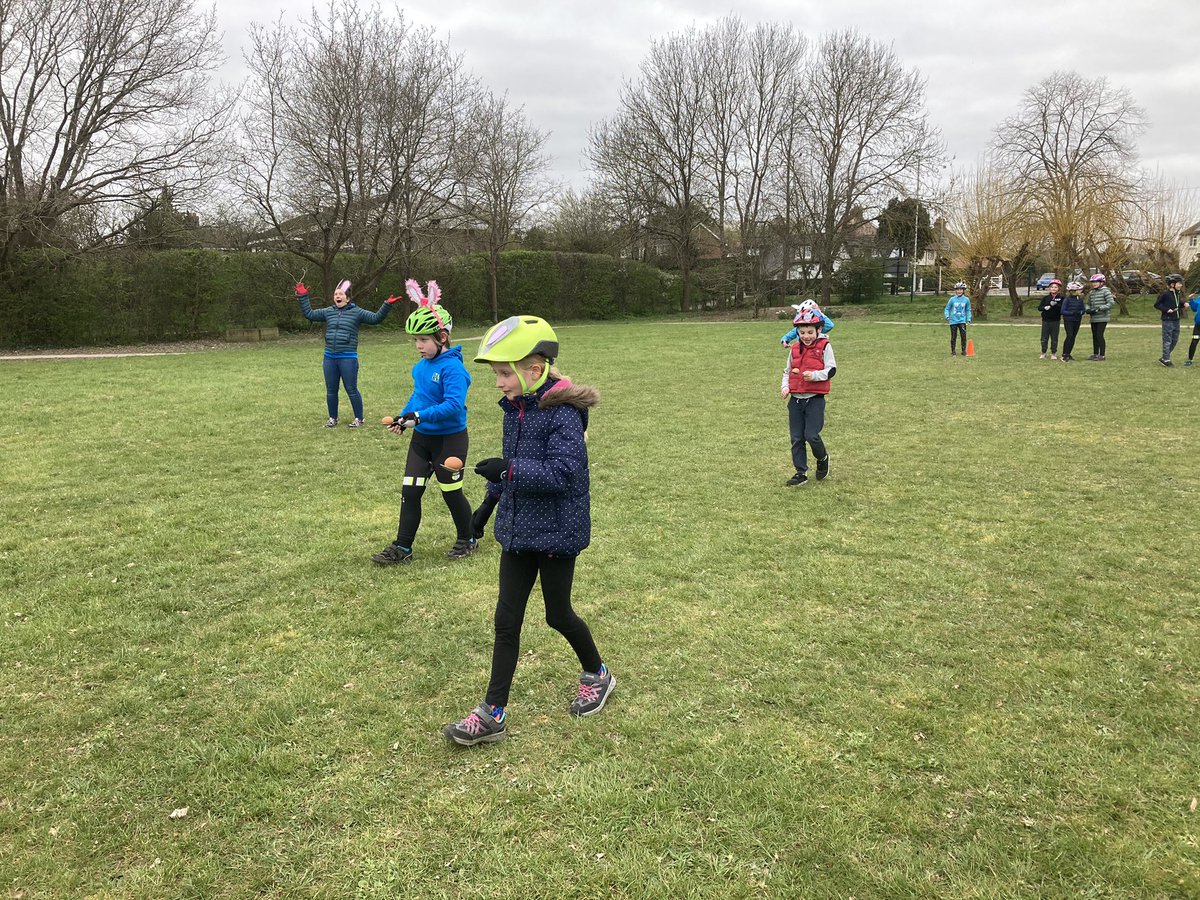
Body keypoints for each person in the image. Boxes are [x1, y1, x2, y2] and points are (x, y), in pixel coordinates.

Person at [443, 315, 612, 746]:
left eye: (504, 373)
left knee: (558, 615)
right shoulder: (515, 411)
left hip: (557, 532)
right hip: (517, 533)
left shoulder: (564, 416)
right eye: (497, 373)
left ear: (534, 369)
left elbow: (563, 473)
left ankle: (598, 673)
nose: (498, 382)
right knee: (506, 621)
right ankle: (492, 713)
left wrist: (510, 469)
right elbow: (511, 474)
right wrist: (485, 509)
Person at [372, 280, 477, 565]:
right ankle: (402, 547)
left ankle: (468, 539)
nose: (418, 345)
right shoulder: (421, 367)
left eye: (423, 340)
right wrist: (403, 417)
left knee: (451, 494)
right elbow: (418, 398)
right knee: (410, 492)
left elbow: (453, 406)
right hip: (422, 442)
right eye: (415, 340)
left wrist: (417, 417)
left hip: (449, 440)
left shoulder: (454, 369)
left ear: (442, 337)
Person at [297, 279, 395, 427]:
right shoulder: (328, 311)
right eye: (336, 294)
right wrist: (303, 296)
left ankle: (359, 419)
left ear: (347, 298)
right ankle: (332, 418)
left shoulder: (357, 312)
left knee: (351, 389)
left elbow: (375, 319)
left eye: (340, 294)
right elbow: (309, 314)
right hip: (329, 357)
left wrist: (386, 305)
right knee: (331, 390)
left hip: (348, 358)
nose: (337, 296)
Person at [781, 308, 836, 486]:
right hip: (795, 400)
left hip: (814, 399)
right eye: (802, 332)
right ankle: (800, 472)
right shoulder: (795, 348)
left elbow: (831, 369)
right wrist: (785, 387)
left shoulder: (824, 347)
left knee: (811, 435)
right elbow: (787, 371)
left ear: (819, 330)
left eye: (810, 332)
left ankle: (822, 458)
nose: (806, 336)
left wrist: (814, 376)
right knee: (797, 437)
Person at [1154, 274, 1185, 367]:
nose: (1181, 285)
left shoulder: (1177, 294)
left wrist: (1184, 304)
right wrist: (1167, 309)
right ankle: (1166, 359)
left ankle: (1164, 357)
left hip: (1176, 319)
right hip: (1167, 320)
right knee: (1167, 340)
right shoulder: (1165, 294)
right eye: (1179, 283)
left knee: (1174, 340)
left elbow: (1177, 304)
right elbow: (1157, 305)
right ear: (1172, 284)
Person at [1083, 273, 1116, 361]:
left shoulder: (1106, 291)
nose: (1094, 284)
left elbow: (1111, 303)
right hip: (1094, 317)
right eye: (1093, 282)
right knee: (1094, 336)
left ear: (1102, 282)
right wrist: (1088, 309)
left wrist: (1100, 308)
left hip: (1102, 317)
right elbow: (1087, 303)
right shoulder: (1092, 292)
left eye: (1096, 282)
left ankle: (1102, 355)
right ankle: (1095, 353)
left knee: (1099, 335)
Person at [1037, 279, 1064, 359]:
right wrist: (1045, 307)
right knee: (1044, 338)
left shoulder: (1061, 298)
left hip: (1055, 320)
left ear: (1058, 288)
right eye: (1052, 287)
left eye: (1055, 287)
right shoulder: (1046, 298)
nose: (1054, 289)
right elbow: (1039, 308)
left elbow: (1062, 308)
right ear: (1049, 288)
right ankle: (1043, 352)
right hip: (1046, 320)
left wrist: (1056, 305)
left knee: (1054, 338)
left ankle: (1053, 353)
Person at [1060, 281, 1086, 362]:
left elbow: (1083, 309)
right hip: (1069, 320)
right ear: (1073, 291)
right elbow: (1063, 311)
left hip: (1077, 320)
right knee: (1069, 336)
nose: (1080, 291)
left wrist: (1081, 312)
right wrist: (1072, 313)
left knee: (1073, 337)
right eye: (1078, 290)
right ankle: (1064, 354)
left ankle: (1068, 353)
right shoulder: (1067, 300)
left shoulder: (1080, 300)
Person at [944, 283, 972, 356]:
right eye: (958, 290)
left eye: (961, 289)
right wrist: (947, 316)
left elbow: (968, 310)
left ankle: (963, 351)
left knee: (963, 336)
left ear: (963, 291)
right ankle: (953, 351)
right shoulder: (952, 299)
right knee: (954, 336)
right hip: (953, 321)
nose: (959, 291)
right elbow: (947, 308)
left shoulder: (966, 300)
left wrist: (968, 319)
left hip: (962, 321)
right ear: (955, 291)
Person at [1186, 288, 1200, 367]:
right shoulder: (1199, 298)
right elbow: (1194, 309)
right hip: (1198, 326)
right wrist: (1191, 300)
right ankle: (1190, 360)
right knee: (1194, 341)